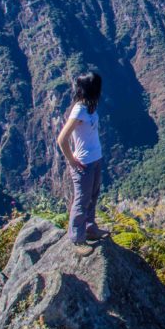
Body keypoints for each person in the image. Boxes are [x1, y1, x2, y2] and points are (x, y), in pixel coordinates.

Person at [56, 70, 109, 255]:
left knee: (93, 195)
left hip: (95, 159)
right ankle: (77, 239)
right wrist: (72, 160)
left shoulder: (90, 107)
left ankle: (90, 228)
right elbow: (62, 138)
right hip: (84, 163)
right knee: (81, 199)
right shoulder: (79, 109)